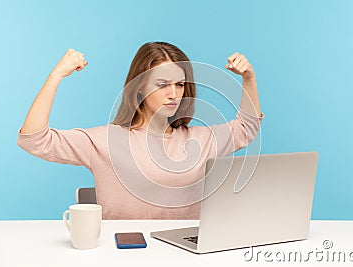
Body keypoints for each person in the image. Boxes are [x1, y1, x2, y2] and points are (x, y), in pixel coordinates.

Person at [17, 41, 264, 219]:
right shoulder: (104, 140)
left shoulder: (200, 140)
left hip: (185, 255)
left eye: (179, 84)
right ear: (139, 88)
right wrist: (56, 75)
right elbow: (34, 140)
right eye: (163, 84)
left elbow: (246, 128)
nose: (174, 94)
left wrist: (249, 78)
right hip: (124, 254)